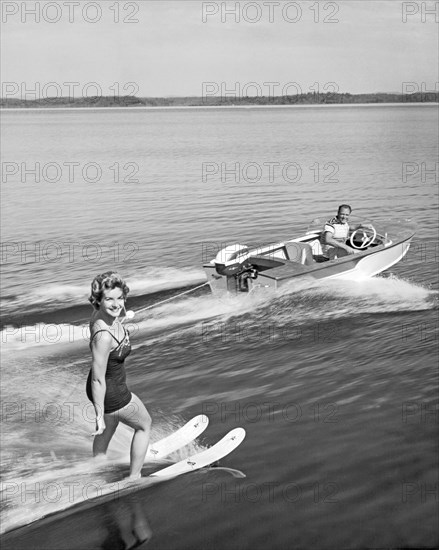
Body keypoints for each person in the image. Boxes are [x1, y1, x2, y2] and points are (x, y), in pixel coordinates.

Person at [86, 271, 151, 480]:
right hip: (109, 389)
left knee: (111, 422)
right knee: (144, 425)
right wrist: (98, 414)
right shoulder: (103, 337)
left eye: (120, 298)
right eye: (109, 299)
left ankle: (98, 465)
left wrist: (120, 317)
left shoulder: (100, 316)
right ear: (98, 300)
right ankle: (134, 477)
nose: (116, 304)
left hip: (106, 386)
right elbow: (98, 379)